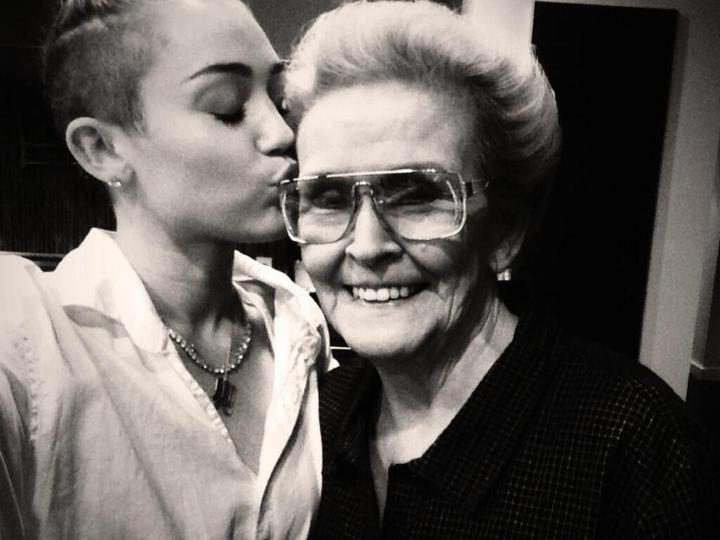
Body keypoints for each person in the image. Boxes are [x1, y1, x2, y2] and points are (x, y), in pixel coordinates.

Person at [280, 1, 720, 537]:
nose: (367, 247)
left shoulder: (639, 450)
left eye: (417, 195)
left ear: (505, 231)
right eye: (328, 198)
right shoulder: (319, 415)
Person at [0, 0, 330, 538]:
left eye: (279, 101)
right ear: (102, 149)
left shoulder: (297, 323)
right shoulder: (28, 331)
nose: (281, 134)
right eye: (227, 108)